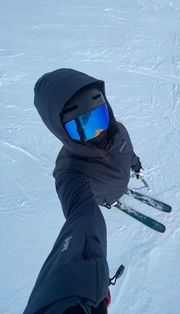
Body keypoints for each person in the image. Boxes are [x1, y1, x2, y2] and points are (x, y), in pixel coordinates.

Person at [23, 68, 143, 314]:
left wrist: (136, 164)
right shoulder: (68, 172)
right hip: (102, 198)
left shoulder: (117, 130)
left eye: (99, 117)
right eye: (83, 127)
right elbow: (83, 220)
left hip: (120, 184)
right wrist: (72, 291)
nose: (99, 131)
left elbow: (128, 150)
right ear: (61, 130)